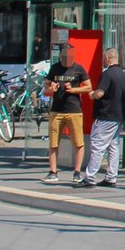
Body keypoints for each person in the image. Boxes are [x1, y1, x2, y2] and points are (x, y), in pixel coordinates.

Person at [75, 47, 125, 188]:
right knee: (113, 147)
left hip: (105, 115)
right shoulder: (123, 75)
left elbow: (100, 93)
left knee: (98, 146)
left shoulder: (107, 74)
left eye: (104, 58)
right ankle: (111, 177)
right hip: (119, 115)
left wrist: (92, 94)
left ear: (107, 58)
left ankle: (90, 177)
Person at [41, 45, 92, 184]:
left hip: (74, 110)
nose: (66, 60)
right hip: (56, 110)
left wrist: (73, 89)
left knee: (78, 142)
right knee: (53, 142)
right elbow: (45, 88)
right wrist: (51, 89)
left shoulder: (78, 69)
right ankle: (53, 172)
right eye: (64, 57)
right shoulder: (54, 68)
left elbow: (88, 87)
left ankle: (77, 172)